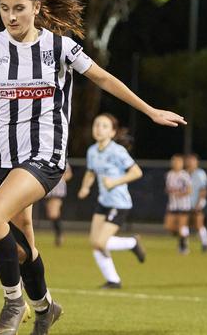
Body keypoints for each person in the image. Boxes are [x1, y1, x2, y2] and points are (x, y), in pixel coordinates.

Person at [0, 0, 185, 333]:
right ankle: (45, 308)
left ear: (37, 7)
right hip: (2, 158)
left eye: (19, 8)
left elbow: (104, 78)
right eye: (3, 8)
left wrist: (150, 110)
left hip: (45, 155)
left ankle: (14, 302)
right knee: (23, 244)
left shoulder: (59, 47)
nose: (11, 16)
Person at [77, 114, 146, 289]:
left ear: (113, 132)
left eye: (104, 126)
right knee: (95, 243)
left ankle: (132, 242)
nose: (99, 128)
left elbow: (137, 172)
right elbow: (91, 172)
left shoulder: (117, 151)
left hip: (119, 203)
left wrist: (114, 182)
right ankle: (113, 280)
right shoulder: (92, 150)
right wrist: (85, 187)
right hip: (103, 202)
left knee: (101, 242)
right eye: (96, 124)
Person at [164, 154, 193, 254]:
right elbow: (168, 189)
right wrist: (170, 191)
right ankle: (183, 237)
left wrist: (180, 193)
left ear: (182, 163)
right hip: (172, 205)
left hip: (183, 205)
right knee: (169, 226)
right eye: (174, 161)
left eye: (178, 162)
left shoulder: (184, 175)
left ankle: (183, 246)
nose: (176, 163)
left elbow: (189, 190)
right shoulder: (169, 174)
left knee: (181, 226)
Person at [185, 153, 207, 252]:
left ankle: (205, 243)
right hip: (185, 204)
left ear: (197, 162)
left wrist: (199, 203)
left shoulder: (200, 173)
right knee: (184, 224)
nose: (190, 162)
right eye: (189, 160)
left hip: (197, 203)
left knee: (199, 223)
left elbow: (203, 189)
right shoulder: (184, 173)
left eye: (193, 161)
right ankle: (184, 245)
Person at [43, 162, 72, 246]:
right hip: (47, 189)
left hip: (57, 190)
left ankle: (60, 235)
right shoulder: (45, 158)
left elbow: (69, 174)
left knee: (53, 214)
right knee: (50, 214)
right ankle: (58, 234)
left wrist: (59, 179)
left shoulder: (62, 159)